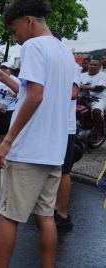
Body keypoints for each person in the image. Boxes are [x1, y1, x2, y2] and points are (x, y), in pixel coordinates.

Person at [0, 0, 76, 268]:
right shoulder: (64, 51)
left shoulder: (33, 46)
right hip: (54, 150)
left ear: (28, 21)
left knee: (9, 216)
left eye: (14, 31)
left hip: (27, 150)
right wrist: (5, 77)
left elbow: (35, 96)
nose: (15, 38)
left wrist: (7, 142)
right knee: (46, 217)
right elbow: (36, 94)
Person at [51, 31, 81, 229]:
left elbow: (73, 93)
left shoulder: (72, 65)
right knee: (52, 168)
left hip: (65, 126)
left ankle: (62, 214)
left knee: (63, 170)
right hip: (51, 125)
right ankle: (52, 208)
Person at [80, 58, 106, 141]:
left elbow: (100, 88)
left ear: (99, 67)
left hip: (98, 99)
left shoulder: (103, 76)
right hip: (82, 98)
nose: (92, 66)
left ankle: (95, 132)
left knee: (97, 110)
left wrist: (85, 87)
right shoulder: (81, 75)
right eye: (91, 64)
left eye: (95, 65)